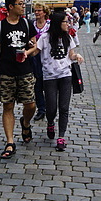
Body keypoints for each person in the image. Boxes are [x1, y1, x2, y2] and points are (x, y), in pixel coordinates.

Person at [0, 0, 37, 159]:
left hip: (25, 71)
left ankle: (26, 123)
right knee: (7, 106)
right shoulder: (0, 26)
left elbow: (35, 45)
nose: (23, 6)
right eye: (21, 4)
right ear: (10, 6)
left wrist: (27, 51)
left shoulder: (27, 23)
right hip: (5, 72)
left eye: (24, 4)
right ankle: (10, 142)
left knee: (30, 104)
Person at [36, 12, 84, 151]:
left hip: (65, 75)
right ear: (58, 23)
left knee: (64, 107)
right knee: (51, 108)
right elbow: (35, 50)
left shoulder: (68, 37)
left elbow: (71, 54)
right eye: (65, 22)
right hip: (49, 76)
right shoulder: (45, 38)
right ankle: (50, 122)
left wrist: (77, 56)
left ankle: (61, 137)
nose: (68, 24)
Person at [31, 3, 51, 122]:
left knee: (48, 83)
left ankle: (50, 108)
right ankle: (41, 109)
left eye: (39, 11)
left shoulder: (49, 25)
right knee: (37, 83)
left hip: (48, 56)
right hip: (35, 56)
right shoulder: (32, 24)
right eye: (35, 11)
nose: (37, 13)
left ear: (44, 12)